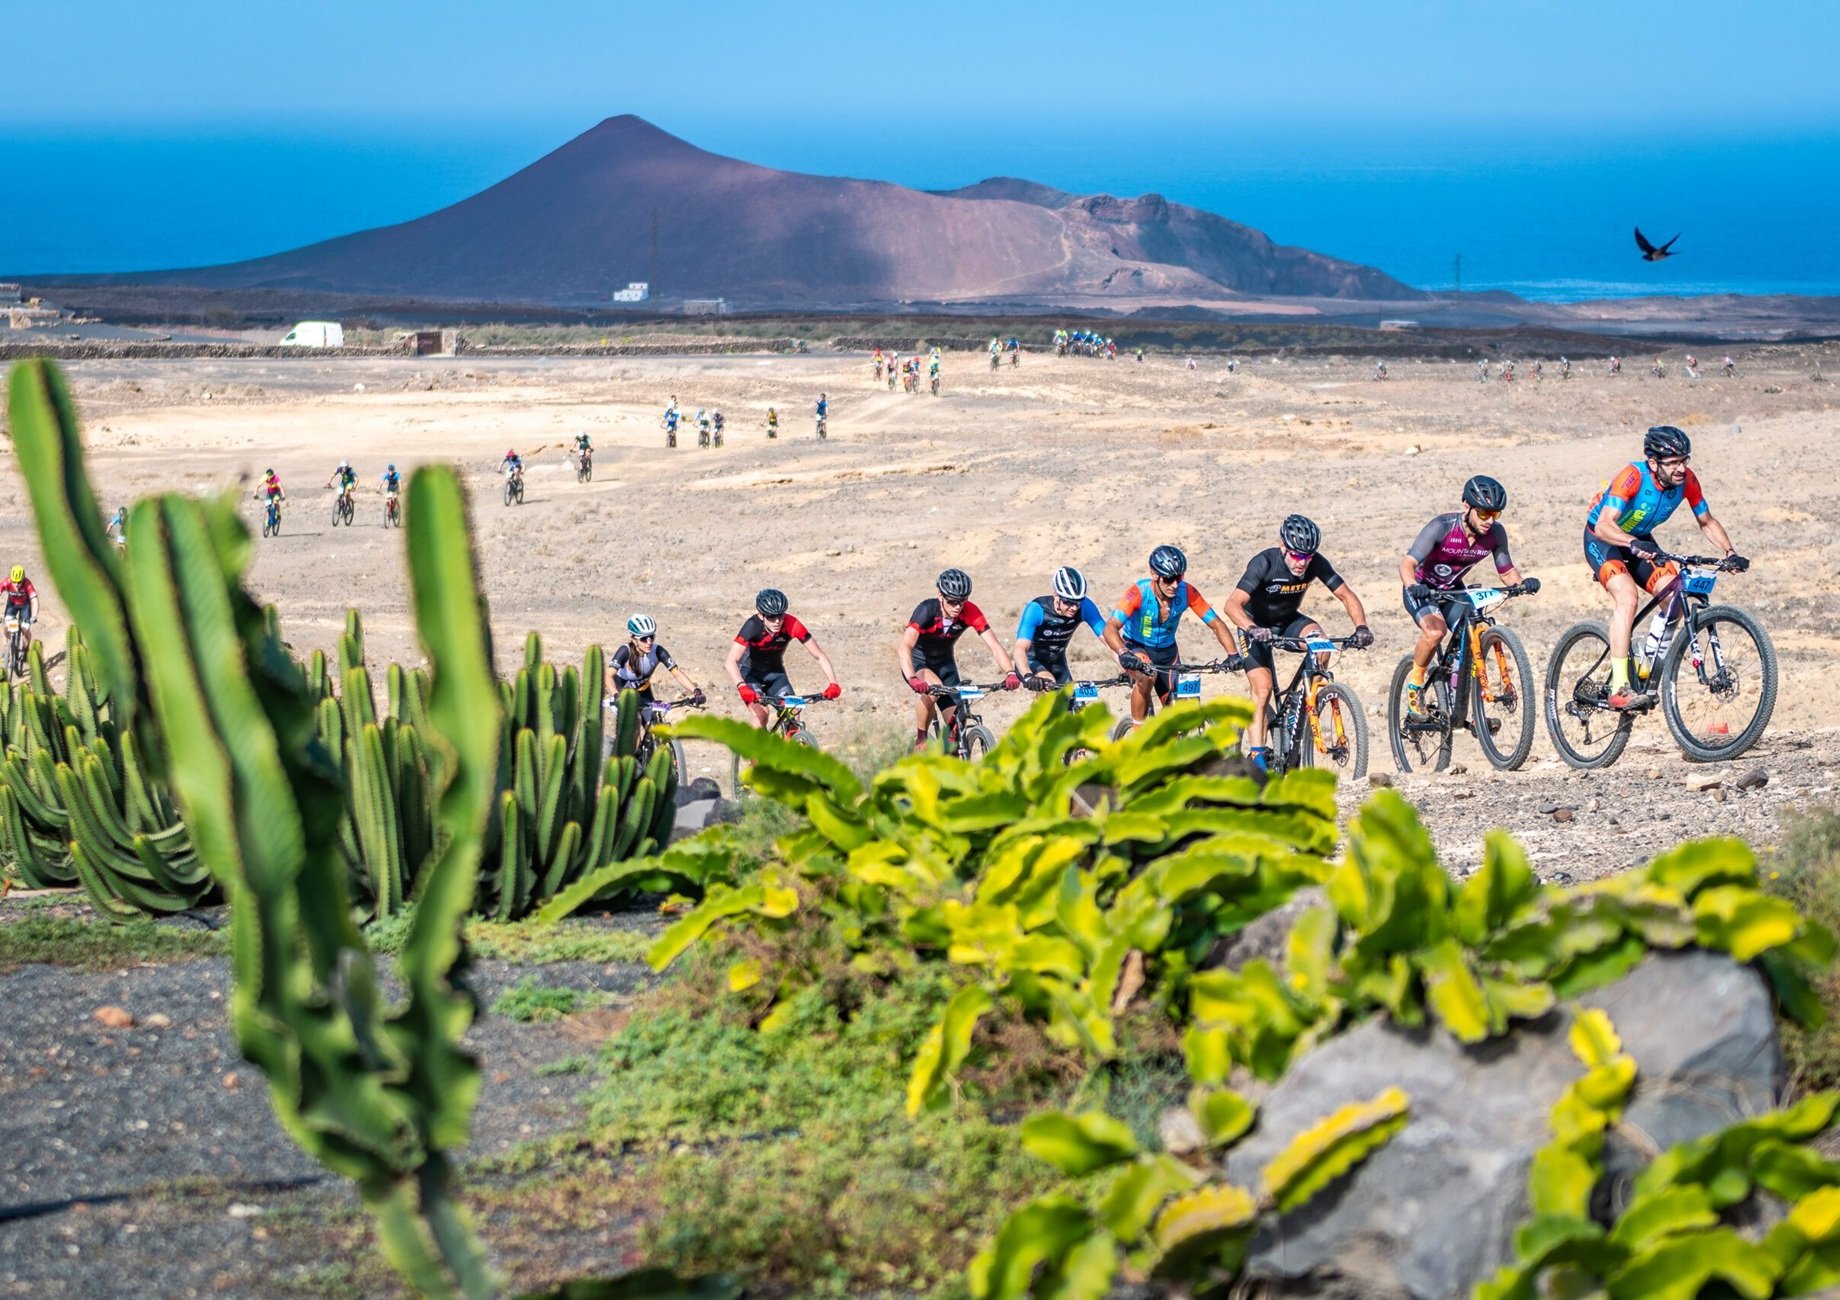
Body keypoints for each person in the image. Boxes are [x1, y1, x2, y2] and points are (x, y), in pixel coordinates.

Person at [1584, 426, 1746, 709]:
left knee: (1675, 601)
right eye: (1673, 463)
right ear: (1653, 463)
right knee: (1627, 597)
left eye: (1684, 460)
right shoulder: (1633, 476)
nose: (1681, 468)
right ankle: (1619, 686)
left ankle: (1646, 663)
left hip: (1640, 540)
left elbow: (1706, 521)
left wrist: (1729, 552)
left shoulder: (1687, 482)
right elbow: (1604, 524)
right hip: (1604, 539)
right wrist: (1632, 542)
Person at [1224, 515, 1373, 773]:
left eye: (1307, 556)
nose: (1302, 562)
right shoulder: (1264, 562)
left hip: (1288, 621)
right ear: (1283, 546)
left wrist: (1361, 627)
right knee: (1263, 688)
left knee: (1323, 645)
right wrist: (1252, 628)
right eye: (1296, 555)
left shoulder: (1314, 562)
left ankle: (1305, 702)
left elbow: (1345, 595)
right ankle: (1257, 756)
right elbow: (1231, 604)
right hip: (1254, 624)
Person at [1398, 477, 1539, 718]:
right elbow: (1407, 563)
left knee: (1477, 631)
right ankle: (1416, 684)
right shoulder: (1441, 527)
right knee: (1435, 632)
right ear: (1466, 506)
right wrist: (1413, 585)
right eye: (1484, 514)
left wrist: (1521, 584)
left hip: (1453, 589)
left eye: (1495, 514)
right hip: (1423, 588)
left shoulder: (1495, 534)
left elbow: (1506, 571)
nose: (1490, 521)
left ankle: (1457, 696)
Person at [1101, 546, 1241, 726]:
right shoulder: (1139, 592)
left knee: (1182, 703)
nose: (1175, 584)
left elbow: (1216, 623)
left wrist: (1232, 654)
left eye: (1179, 577)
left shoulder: (1187, 592)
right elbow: (1110, 627)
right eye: (1168, 579)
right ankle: (1138, 731)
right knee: (1146, 677)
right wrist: (1123, 652)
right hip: (1137, 646)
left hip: (1168, 652)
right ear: (1154, 575)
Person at [897, 568, 1020, 749]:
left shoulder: (969, 611)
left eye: (962, 601)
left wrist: (1010, 672)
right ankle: (921, 740)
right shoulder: (926, 610)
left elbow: (994, 644)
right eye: (952, 601)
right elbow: (904, 646)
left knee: (957, 726)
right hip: (919, 663)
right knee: (933, 691)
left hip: (946, 665)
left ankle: (955, 756)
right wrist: (912, 678)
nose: (957, 607)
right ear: (940, 595)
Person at [726, 588, 842, 726]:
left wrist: (833, 682)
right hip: (750, 675)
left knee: (795, 708)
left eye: (780, 616)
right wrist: (741, 686)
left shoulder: (792, 623)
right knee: (762, 714)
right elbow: (730, 661)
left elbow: (819, 655)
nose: (777, 621)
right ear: (761, 615)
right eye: (771, 617)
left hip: (775, 675)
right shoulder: (752, 626)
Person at [1015, 566, 1123, 689]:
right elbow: (1020, 649)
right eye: (1068, 602)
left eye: (1078, 602)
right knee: (1050, 688)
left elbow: (1109, 641)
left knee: (1074, 703)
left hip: (1058, 662)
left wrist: (1125, 668)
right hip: (1032, 661)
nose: (1074, 608)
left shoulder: (1085, 607)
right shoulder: (1037, 609)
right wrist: (1028, 676)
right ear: (1055, 595)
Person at [607, 614, 704, 720]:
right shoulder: (625, 651)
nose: (649, 642)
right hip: (624, 696)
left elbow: (676, 672)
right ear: (634, 638)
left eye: (651, 637)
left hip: (644, 694)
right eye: (644, 639)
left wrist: (696, 691)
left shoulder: (658, 651)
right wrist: (615, 695)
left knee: (656, 725)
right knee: (635, 725)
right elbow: (608, 676)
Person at [2, 564, 40, 658]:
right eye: (14, 581)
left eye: (19, 582)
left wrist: (34, 616)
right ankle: (6, 648)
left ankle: (26, 648)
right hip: (12, 605)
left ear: (23, 579)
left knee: (25, 628)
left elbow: (34, 600)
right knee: (7, 624)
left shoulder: (27, 584)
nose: (16, 584)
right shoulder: (7, 581)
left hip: (25, 606)